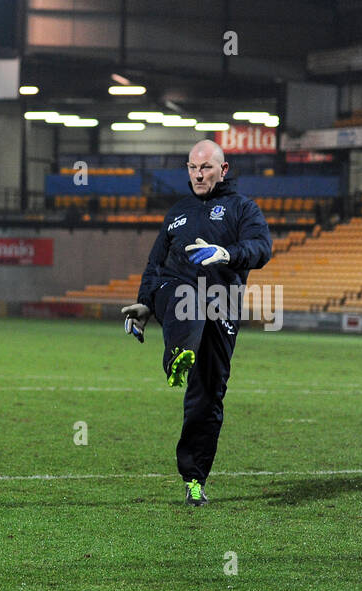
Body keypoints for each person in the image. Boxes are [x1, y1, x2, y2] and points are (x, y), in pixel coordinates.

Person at [122, 139, 271, 506]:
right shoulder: (177, 212)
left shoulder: (242, 209)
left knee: (207, 395)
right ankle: (177, 354)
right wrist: (144, 305)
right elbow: (155, 263)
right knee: (182, 296)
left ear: (224, 170)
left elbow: (262, 248)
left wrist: (227, 254)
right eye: (192, 167)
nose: (197, 174)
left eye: (205, 168)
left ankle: (194, 478)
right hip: (176, 291)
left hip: (222, 304)